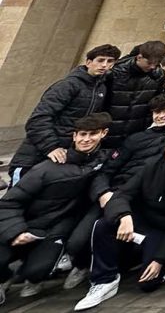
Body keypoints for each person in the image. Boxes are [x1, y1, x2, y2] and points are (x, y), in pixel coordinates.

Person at [73, 125, 165, 310]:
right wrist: (125, 216)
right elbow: (123, 194)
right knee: (103, 225)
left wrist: (159, 260)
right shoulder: (151, 165)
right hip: (141, 220)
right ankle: (104, 281)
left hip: (163, 229)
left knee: (148, 283)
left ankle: (158, 259)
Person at [0, 113, 110, 304]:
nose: (86, 139)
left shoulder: (101, 161)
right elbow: (9, 202)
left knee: (36, 272)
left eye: (92, 134)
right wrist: (15, 231)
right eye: (82, 134)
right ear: (74, 136)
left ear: (103, 134)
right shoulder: (46, 168)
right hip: (24, 224)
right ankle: (4, 278)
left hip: (53, 230)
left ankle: (32, 274)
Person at [11, 44, 120, 182]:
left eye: (110, 61)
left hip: (65, 156)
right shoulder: (67, 85)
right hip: (36, 156)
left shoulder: (101, 88)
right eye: (100, 60)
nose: (104, 65)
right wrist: (51, 147)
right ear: (88, 62)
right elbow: (38, 119)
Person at [103, 41, 165, 150]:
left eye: (156, 63)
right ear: (139, 57)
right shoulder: (116, 72)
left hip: (137, 129)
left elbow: (154, 103)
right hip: (109, 127)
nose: (152, 67)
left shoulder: (158, 75)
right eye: (149, 63)